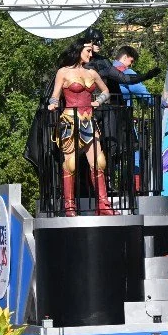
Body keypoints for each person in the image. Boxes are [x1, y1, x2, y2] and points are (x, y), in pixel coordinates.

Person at [48, 40, 115, 216]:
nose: (91, 55)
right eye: (88, 51)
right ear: (79, 50)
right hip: (70, 120)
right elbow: (55, 95)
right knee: (70, 164)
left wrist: (97, 102)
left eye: (91, 51)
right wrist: (53, 104)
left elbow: (106, 91)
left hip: (89, 120)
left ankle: (103, 204)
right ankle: (69, 206)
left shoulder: (91, 72)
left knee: (99, 162)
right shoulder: (63, 72)